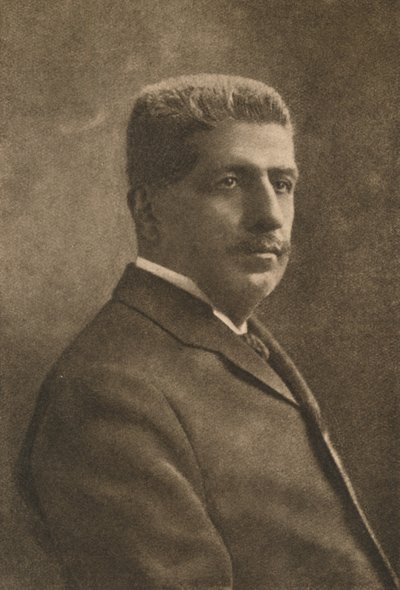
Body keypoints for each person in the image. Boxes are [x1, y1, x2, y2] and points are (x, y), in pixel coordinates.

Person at [18, 74, 399, 589]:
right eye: (230, 182)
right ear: (148, 211)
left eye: (282, 184)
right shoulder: (108, 389)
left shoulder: (238, 338)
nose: (269, 216)